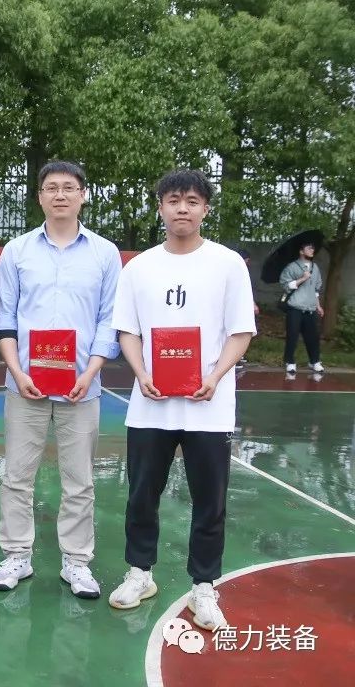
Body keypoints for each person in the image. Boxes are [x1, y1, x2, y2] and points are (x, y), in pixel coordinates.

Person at [108, 169, 256, 632]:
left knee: (210, 501)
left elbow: (240, 332)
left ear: (205, 208)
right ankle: (140, 572)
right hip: (150, 404)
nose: (183, 208)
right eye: (173, 200)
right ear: (160, 208)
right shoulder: (140, 267)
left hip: (209, 407)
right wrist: (141, 373)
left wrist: (214, 376)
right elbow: (127, 330)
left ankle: (204, 586)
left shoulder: (227, 264)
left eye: (192, 200)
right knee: (141, 495)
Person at [0, 161, 121, 600]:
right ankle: (16, 555)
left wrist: (91, 371)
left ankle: (77, 561)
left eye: (68, 187)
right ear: (40, 196)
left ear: (83, 194)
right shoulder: (17, 251)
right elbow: (5, 316)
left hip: (82, 386)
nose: (60, 194)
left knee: (79, 479)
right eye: (51, 188)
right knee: (16, 475)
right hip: (24, 384)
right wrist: (16, 370)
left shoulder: (104, 253)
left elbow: (108, 319)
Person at [280, 242, 325, 374]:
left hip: (310, 308)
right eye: (309, 248)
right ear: (301, 251)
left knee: (313, 337)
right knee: (292, 336)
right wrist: (302, 278)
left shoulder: (315, 268)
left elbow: (316, 289)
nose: (312, 250)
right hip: (295, 307)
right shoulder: (292, 267)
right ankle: (290, 362)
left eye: (313, 248)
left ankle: (314, 361)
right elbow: (286, 286)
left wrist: (318, 306)